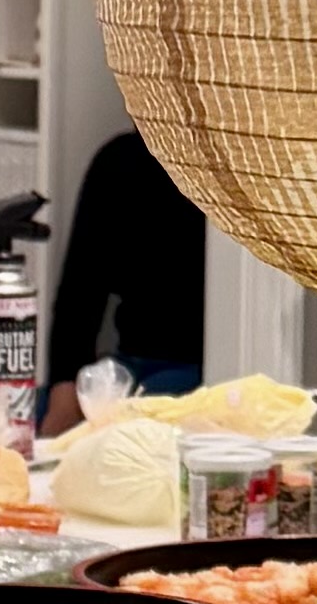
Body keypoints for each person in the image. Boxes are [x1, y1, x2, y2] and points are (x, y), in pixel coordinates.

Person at [40, 125, 208, 420]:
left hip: (197, 367)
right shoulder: (120, 159)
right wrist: (64, 384)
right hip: (129, 363)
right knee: (18, 416)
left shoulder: (224, 166)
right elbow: (80, 291)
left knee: (130, 420)